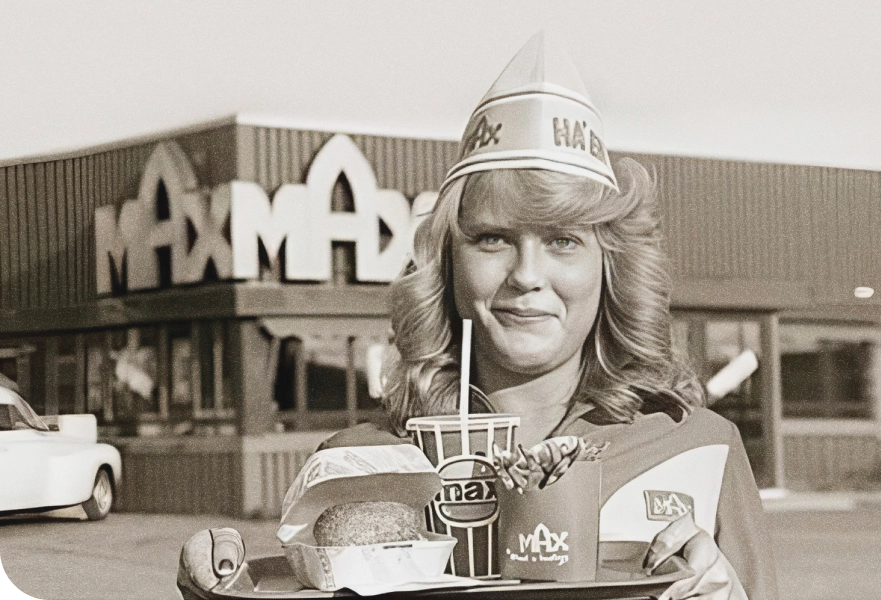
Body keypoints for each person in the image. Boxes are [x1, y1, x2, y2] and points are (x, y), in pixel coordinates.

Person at [180, 32, 778, 600]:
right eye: (492, 238)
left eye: (563, 240)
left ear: (610, 268)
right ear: (447, 265)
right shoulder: (357, 465)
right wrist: (222, 590)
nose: (526, 274)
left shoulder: (700, 446)